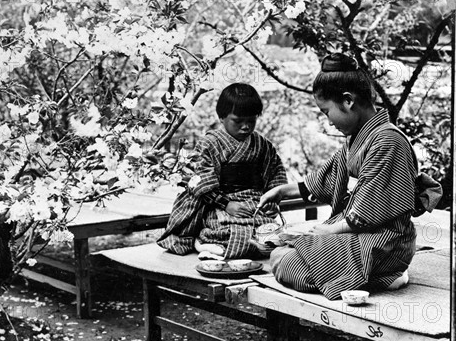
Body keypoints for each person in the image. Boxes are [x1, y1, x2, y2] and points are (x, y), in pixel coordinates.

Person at [257, 53, 417, 300]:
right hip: (359, 233)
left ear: (348, 101)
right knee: (281, 251)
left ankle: (386, 275)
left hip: (384, 242)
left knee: (287, 264)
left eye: (326, 111)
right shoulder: (357, 138)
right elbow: (326, 179)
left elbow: (367, 213)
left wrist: (324, 233)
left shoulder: (388, 140)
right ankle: (376, 276)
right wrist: (280, 192)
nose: (328, 122)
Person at [157, 83, 287, 260]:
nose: (245, 127)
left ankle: (217, 248)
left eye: (251, 121)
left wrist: (272, 198)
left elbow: (275, 172)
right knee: (226, 231)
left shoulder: (262, 145)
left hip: (254, 203)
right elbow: (201, 181)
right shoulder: (210, 143)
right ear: (222, 117)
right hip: (219, 203)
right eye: (238, 121)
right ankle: (204, 242)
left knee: (268, 232)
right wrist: (226, 204)